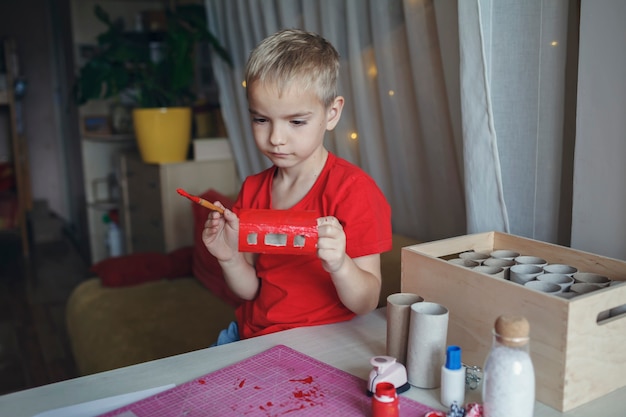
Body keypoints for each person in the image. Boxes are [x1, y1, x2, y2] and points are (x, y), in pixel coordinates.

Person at [202, 28, 392, 344]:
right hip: (253, 334)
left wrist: (340, 264)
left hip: (322, 341)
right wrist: (229, 258)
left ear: (331, 114)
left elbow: (366, 302)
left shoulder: (353, 191)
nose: (276, 138)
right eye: (261, 119)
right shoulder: (252, 190)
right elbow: (251, 289)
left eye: (296, 122)